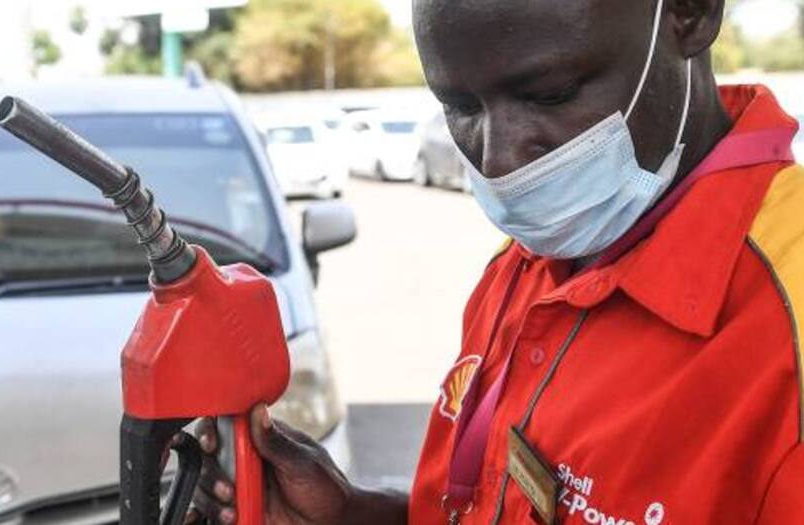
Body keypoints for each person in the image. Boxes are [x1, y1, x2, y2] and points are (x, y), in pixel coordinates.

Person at [188, 0, 804, 522]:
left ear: (690, 13)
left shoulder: (785, 324)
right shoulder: (531, 259)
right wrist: (353, 513)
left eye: (550, 94)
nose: (502, 161)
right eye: (460, 108)